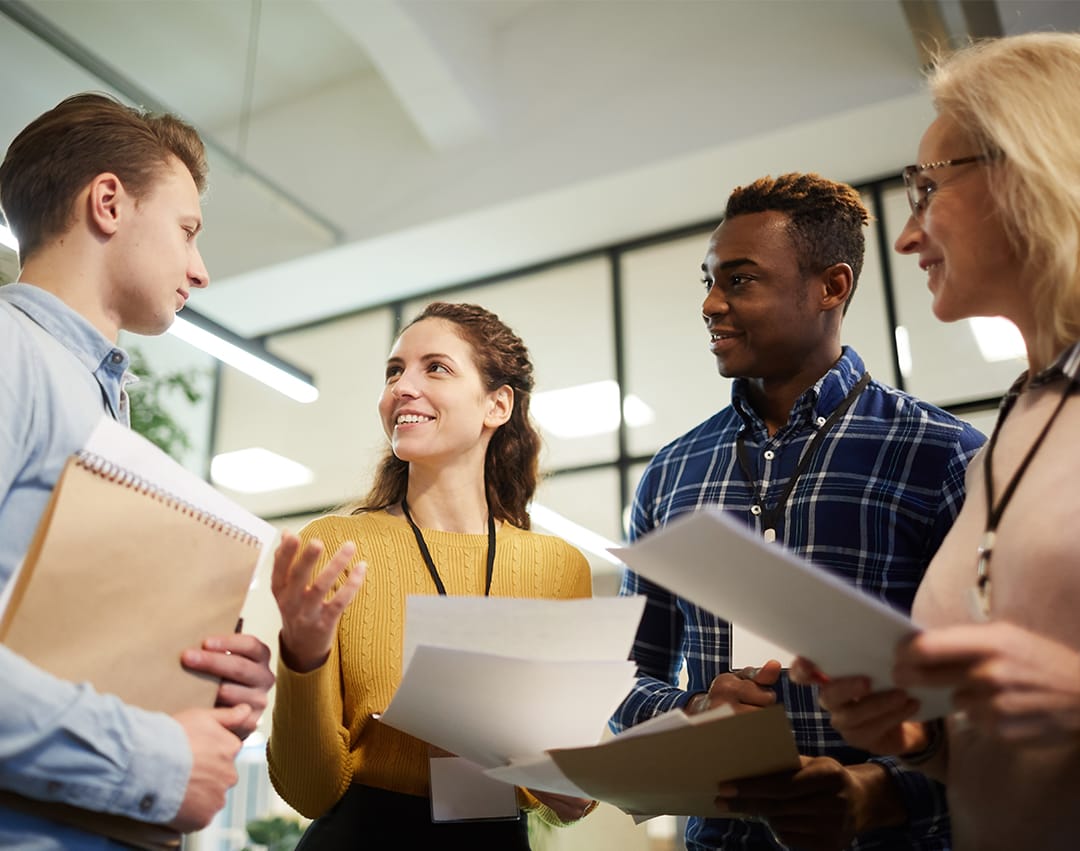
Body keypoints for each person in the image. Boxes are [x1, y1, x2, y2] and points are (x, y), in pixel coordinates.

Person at [609, 172, 986, 851]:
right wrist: (692, 709)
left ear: (831, 287)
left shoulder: (943, 454)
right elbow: (626, 678)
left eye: (740, 280)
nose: (711, 304)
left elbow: (996, 708)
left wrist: (881, 792)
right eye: (708, 281)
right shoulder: (671, 474)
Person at [790, 32, 1080, 851]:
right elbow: (1014, 746)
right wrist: (918, 738)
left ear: (1032, 165)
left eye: (925, 189)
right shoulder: (1020, 424)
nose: (906, 236)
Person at [0, 93, 275, 850]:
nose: (201, 270)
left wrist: (202, 674)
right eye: (188, 230)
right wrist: (154, 754)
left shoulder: (102, 400)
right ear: (110, 202)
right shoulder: (10, 355)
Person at [267, 301, 597, 849]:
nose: (402, 386)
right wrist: (303, 655)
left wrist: (570, 789)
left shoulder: (559, 568)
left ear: (497, 404)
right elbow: (309, 791)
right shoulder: (335, 547)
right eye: (394, 370)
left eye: (435, 367)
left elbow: (569, 791)